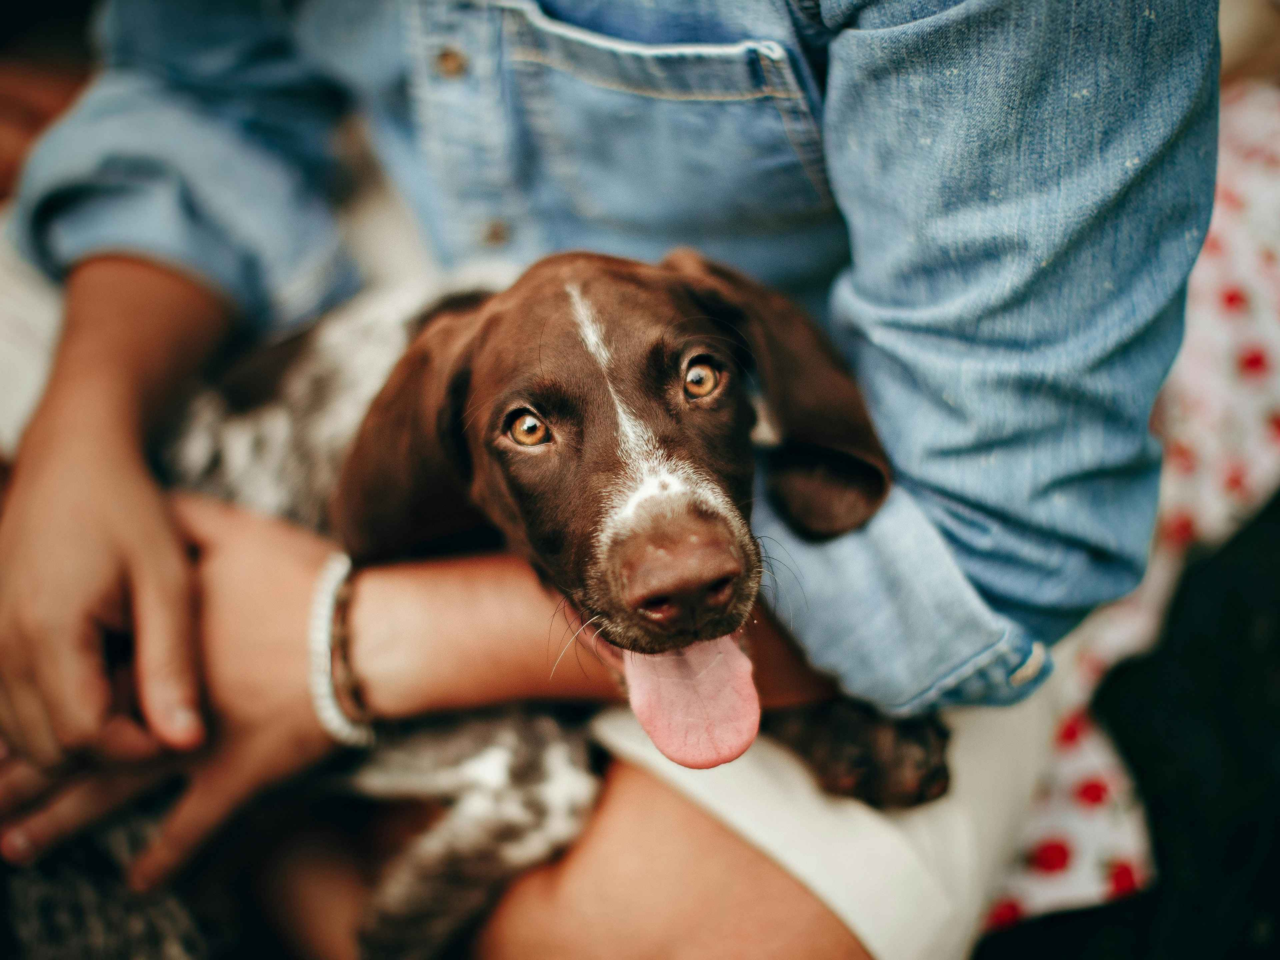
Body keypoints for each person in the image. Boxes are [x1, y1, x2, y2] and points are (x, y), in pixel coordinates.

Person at [0, 1, 1217, 957]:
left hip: (888, 397)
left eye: (695, 379)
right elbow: (194, 96)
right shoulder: (421, 396)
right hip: (374, 279)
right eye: (529, 433)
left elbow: (1002, 534)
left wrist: (337, 648)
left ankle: (264, 837)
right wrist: (78, 440)